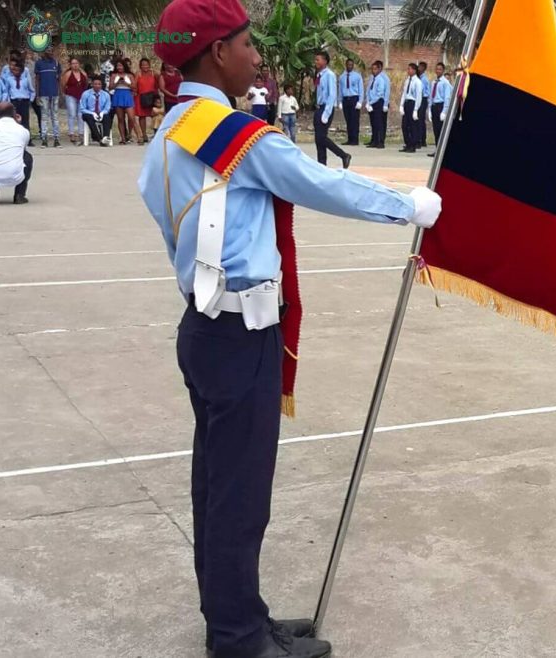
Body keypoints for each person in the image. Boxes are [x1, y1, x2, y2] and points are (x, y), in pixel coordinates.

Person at [140, 1, 443, 656]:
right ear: (216, 51)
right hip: (239, 333)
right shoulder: (225, 133)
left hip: (207, 327)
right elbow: (315, 182)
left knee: (219, 488)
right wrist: (409, 205)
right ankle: (239, 638)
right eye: (246, 43)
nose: (255, 56)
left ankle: (239, 617)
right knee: (239, 498)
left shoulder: (171, 130)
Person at [312, 51, 350, 167]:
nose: (316, 62)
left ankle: (343, 155)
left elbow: (332, 95)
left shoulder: (329, 75)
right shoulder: (319, 75)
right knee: (318, 139)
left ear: (325, 61)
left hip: (325, 108)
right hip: (319, 107)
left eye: (318, 59)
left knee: (321, 137)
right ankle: (322, 164)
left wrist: (326, 113)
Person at [0, 101, 31, 203]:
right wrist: (18, 124)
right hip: (15, 175)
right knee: (27, 156)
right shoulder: (22, 130)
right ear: (14, 114)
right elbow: (22, 149)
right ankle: (19, 194)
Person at [33, 46, 61, 147]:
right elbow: (37, 80)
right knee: (44, 117)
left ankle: (56, 139)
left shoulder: (56, 63)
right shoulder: (39, 63)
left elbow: (58, 79)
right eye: (48, 51)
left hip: (54, 94)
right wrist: (37, 94)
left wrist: (59, 92)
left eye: (52, 51)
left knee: (55, 117)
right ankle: (44, 139)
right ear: (44, 52)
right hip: (43, 93)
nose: (50, 53)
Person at [5, 59, 35, 141]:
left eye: (17, 70)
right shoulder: (9, 79)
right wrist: (9, 101)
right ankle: (15, 139)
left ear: (21, 71)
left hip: (24, 101)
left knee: (25, 120)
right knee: (15, 120)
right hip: (14, 102)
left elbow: (32, 90)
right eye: (14, 70)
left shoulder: (25, 80)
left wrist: (30, 100)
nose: (15, 72)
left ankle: (28, 140)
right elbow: (7, 91)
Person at [79, 76, 114, 146]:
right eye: (95, 84)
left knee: (107, 116)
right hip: (89, 113)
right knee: (89, 117)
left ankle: (105, 137)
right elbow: (82, 108)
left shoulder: (106, 94)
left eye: (99, 84)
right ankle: (99, 139)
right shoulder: (86, 94)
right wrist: (92, 113)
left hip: (101, 113)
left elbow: (107, 108)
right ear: (92, 84)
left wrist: (102, 113)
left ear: (101, 85)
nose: (97, 86)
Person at [133, 57, 160, 143]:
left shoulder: (154, 73)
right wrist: (134, 92)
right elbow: (134, 85)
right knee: (142, 116)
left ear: (149, 65)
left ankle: (157, 133)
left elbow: (159, 83)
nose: (145, 66)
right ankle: (144, 135)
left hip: (152, 96)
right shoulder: (138, 73)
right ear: (140, 66)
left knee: (155, 114)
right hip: (141, 96)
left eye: (146, 64)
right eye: (143, 65)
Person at [61, 57, 88, 145]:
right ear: (70, 65)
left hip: (81, 96)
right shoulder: (68, 74)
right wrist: (64, 94)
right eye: (73, 63)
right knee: (72, 114)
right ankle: (71, 133)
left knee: (80, 115)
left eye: (76, 63)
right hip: (71, 95)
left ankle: (81, 133)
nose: (75, 65)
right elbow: (63, 84)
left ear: (79, 64)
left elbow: (86, 84)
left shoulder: (83, 73)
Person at [108, 60, 134, 144]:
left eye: (121, 66)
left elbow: (134, 86)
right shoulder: (114, 75)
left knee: (131, 117)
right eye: (118, 66)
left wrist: (126, 83)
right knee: (120, 118)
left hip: (127, 94)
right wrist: (117, 82)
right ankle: (122, 138)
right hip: (118, 94)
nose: (119, 67)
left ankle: (129, 134)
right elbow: (110, 87)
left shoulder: (129, 75)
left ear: (124, 66)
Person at [399, 62, 422, 153]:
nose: (408, 71)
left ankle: (413, 145)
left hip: (413, 103)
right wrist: (401, 105)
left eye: (410, 69)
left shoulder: (417, 82)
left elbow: (418, 96)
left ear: (414, 70)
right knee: (404, 125)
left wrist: (416, 109)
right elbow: (404, 93)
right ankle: (407, 143)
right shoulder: (408, 80)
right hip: (407, 103)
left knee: (413, 126)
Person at [339, 58, 363, 146]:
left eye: (351, 65)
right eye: (348, 65)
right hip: (346, 99)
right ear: (346, 65)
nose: (350, 66)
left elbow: (361, 89)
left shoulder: (357, 76)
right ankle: (350, 139)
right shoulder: (342, 77)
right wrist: (340, 101)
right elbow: (340, 90)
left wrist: (360, 101)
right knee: (348, 120)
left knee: (354, 120)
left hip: (354, 99)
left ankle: (355, 139)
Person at [365, 61, 388, 149]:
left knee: (379, 123)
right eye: (372, 69)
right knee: (373, 122)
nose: (373, 71)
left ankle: (380, 142)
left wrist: (371, 103)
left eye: (375, 69)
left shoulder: (381, 79)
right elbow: (368, 90)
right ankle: (374, 140)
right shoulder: (372, 79)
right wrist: (368, 102)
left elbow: (380, 94)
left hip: (378, 102)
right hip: (371, 103)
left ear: (379, 69)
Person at [429, 62, 452, 151]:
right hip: (434, 106)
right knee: (435, 129)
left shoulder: (445, 82)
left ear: (443, 71)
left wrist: (444, 111)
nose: (438, 71)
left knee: (440, 130)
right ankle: (437, 149)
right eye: (437, 69)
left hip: (440, 106)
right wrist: (430, 110)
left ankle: (441, 150)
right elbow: (431, 97)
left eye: (440, 69)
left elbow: (447, 98)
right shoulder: (434, 82)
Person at [417, 61, 431, 147]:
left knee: (421, 120)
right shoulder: (418, 78)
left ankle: (422, 140)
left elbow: (427, 91)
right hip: (418, 99)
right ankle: (419, 138)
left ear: (424, 69)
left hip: (423, 99)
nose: (419, 69)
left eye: (421, 67)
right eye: (418, 67)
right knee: (418, 120)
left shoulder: (424, 79)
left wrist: (424, 96)